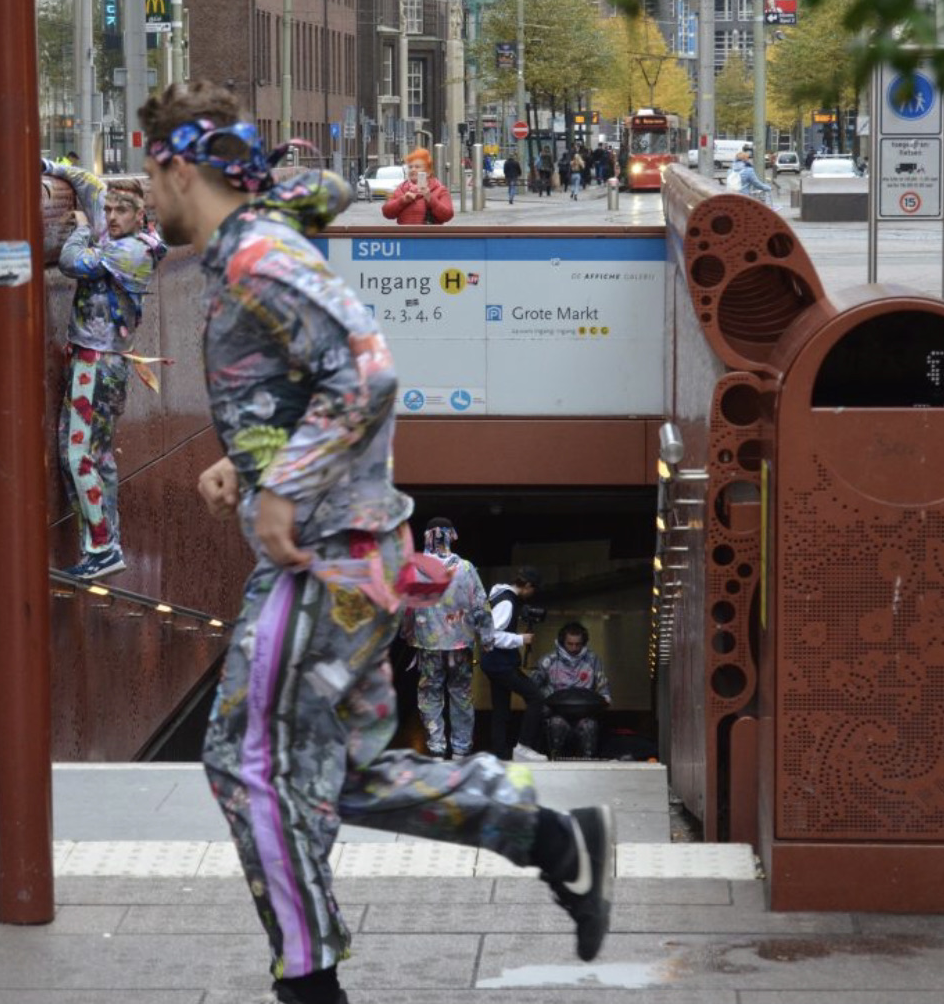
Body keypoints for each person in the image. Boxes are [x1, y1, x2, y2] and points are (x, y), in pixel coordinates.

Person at [138, 80, 613, 1004]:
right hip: (349, 552)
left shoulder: (258, 258)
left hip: (328, 555)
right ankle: (555, 839)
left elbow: (365, 372)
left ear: (178, 168)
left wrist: (283, 483)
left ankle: (309, 985)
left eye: (146, 176)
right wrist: (248, 458)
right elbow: (306, 380)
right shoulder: (255, 243)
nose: (142, 194)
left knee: (246, 761)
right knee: (342, 770)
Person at [45, 161, 168, 580]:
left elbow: (72, 262)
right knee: (98, 456)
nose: (111, 217)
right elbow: (87, 181)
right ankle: (103, 542)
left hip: (97, 364)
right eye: (109, 210)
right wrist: (49, 166)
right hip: (100, 360)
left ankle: (101, 546)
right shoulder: (119, 230)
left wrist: (83, 229)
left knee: (79, 453)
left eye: (121, 212)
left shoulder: (132, 252)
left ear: (140, 216)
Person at [402, 517, 489, 759]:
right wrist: (487, 638)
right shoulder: (466, 568)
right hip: (460, 644)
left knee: (430, 695)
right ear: (451, 535)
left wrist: (407, 634)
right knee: (461, 695)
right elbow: (480, 605)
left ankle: (436, 748)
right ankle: (461, 750)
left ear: (427, 536)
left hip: (428, 644)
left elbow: (405, 607)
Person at [480, 567, 550, 762]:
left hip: (493, 663)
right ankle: (523, 747)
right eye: (533, 589)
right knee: (536, 697)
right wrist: (521, 639)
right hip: (500, 664)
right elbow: (492, 636)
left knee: (501, 709)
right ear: (527, 585)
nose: (533, 594)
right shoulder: (507, 602)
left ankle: (500, 753)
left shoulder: (499, 593)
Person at [531, 623, 612, 759]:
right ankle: (555, 759)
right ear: (562, 642)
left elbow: (602, 684)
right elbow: (532, 687)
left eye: (578, 644)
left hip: (585, 713)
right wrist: (545, 698)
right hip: (556, 712)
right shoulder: (549, 660)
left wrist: (605, 698)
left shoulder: (593, 660)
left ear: (584, 643)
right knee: (556, 724)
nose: (574, 648)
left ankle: (588, 762)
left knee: (590, 726)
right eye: (570, 644)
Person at [382, 147, 453, 225]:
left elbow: (447, 215)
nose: (413, 170)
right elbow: (387, 213)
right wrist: (403, 200)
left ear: (428, 172)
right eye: (410, 167)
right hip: (406, 232)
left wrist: (430, 199)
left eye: (417, 167)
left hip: (430, 233)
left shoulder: (440, 190)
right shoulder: (401, 189)